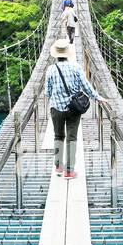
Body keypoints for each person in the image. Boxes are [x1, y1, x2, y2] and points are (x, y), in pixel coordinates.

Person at [44, 37, 98, 179]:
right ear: (67, 53)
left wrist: (57, 97)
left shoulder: (50, 70)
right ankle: (69, 171)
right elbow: (86, 86)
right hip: (73, 109)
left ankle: (58, 166)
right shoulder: (76, 67)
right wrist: (97, 97)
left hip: (56, 109)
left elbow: (47, 92)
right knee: (72, 138)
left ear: (56, 54)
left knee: (58, 136)